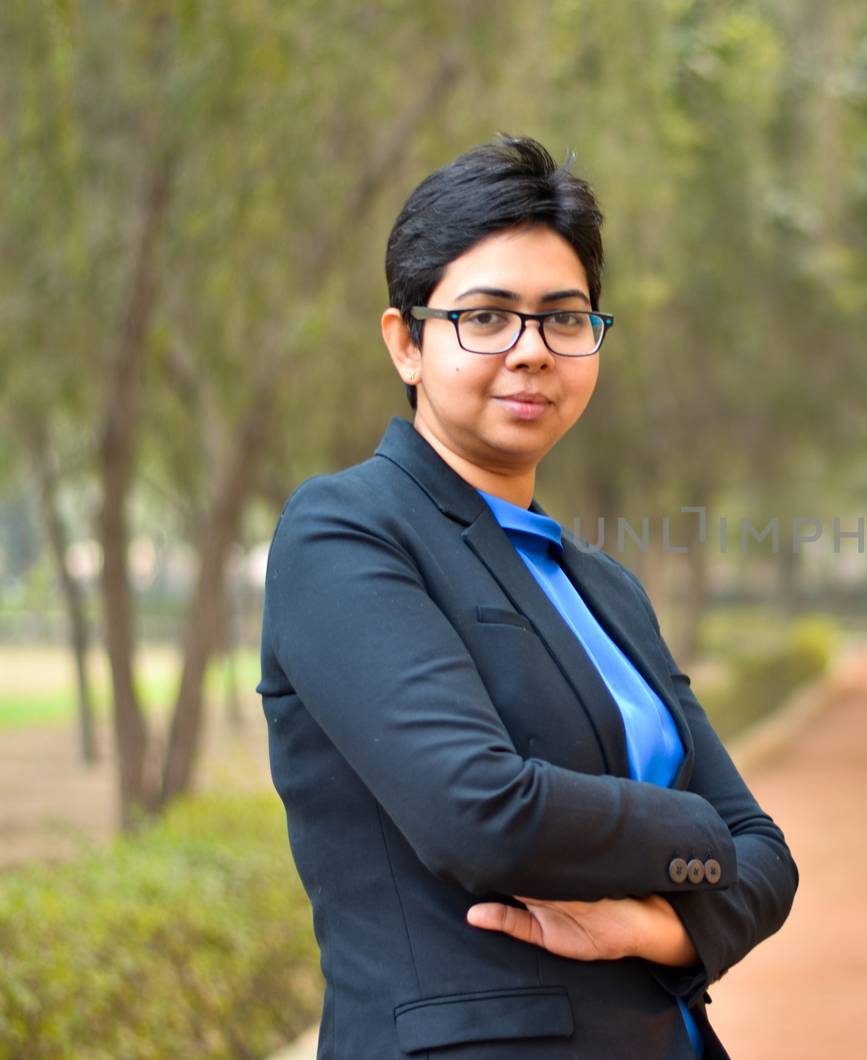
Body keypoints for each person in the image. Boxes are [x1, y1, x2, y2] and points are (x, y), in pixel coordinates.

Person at [256, 134, 798, 1059]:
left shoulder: (606, 589)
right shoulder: (348, 533)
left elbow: (772, 860)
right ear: (407, 342)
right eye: (487, 316)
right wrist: (698, 830)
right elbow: (483, 816)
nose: (532, 350)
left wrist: (656, 930)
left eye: (564, 317)